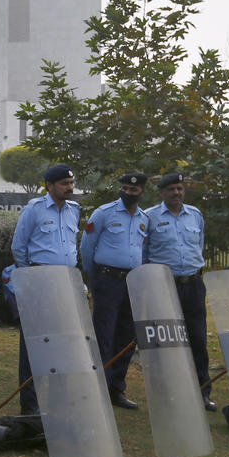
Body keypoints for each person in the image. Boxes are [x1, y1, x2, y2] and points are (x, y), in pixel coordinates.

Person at [10, 164, 80, 415]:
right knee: (33, 344)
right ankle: (30, 405)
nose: (70, 188)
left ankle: (58, 400)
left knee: (61, 343)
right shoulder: (35, 209)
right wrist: (31, 277)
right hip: (40, 280)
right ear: (49, 185)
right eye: (64, 183)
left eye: (71, 183)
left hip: (66, 283)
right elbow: (19, 247)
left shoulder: (74, 210)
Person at [144, 172, 215, 411]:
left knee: (197, 338)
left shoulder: (195, 215)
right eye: (171, 189)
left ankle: (202, 392)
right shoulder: (150, 217)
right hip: (164, 285)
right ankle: (165, 393)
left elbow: (199, 245)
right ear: (162, 192)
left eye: (180, 189)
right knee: (164, 340)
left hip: (193, 284)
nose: (176, 193)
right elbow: (144, 254)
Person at [80, 173, 150, 410]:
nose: (129, 193)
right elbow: (87, 246)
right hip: (108, 280)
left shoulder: (144, 218)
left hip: (132, 283)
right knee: (103, 335)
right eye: (126, 189)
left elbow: (144, 250)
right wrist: (94, 276)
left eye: (134, 190)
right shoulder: (104, 213)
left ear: (141, 192)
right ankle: (98, 387)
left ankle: (116, 389)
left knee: (127, 336)